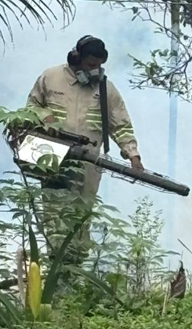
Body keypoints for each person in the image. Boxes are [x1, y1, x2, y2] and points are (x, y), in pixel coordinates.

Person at [25, 35, 143, 264]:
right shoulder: (51, 77)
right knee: (53, 209)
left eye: (98, 65)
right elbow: (30, 107)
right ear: (77, 58)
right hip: (50, 155)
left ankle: (76, 264)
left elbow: (121, 125)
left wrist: (133, 155)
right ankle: (55, 261)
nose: (94, 70)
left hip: (88, 163)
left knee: (81, 212)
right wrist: (45, 118)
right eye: (90, 65)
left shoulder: (106, 89)